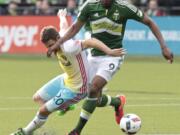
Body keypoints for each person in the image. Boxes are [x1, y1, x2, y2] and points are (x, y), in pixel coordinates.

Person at [47, 0, 174, 135]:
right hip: (93, 55)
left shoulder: (124, 8)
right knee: (93, 97)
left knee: (93, 88)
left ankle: (76, 131)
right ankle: (117, 102)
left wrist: (164, 47)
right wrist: (58, 44)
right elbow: (74, 29)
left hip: (113, 56)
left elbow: (149, 22)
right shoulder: (89, 6)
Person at [10, 9, 125, 135]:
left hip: (77, 88)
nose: (50, 49)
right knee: (37, 98)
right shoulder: (61, 35)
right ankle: (68, 106)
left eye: (51, 45)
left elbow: (91, 42)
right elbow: (63, 26)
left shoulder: (69, 46)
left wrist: (109, 51)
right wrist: (62, 16)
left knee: (43, 111)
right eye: (47, 47)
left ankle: (25, 132)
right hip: (67, 79)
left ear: (58, 38)